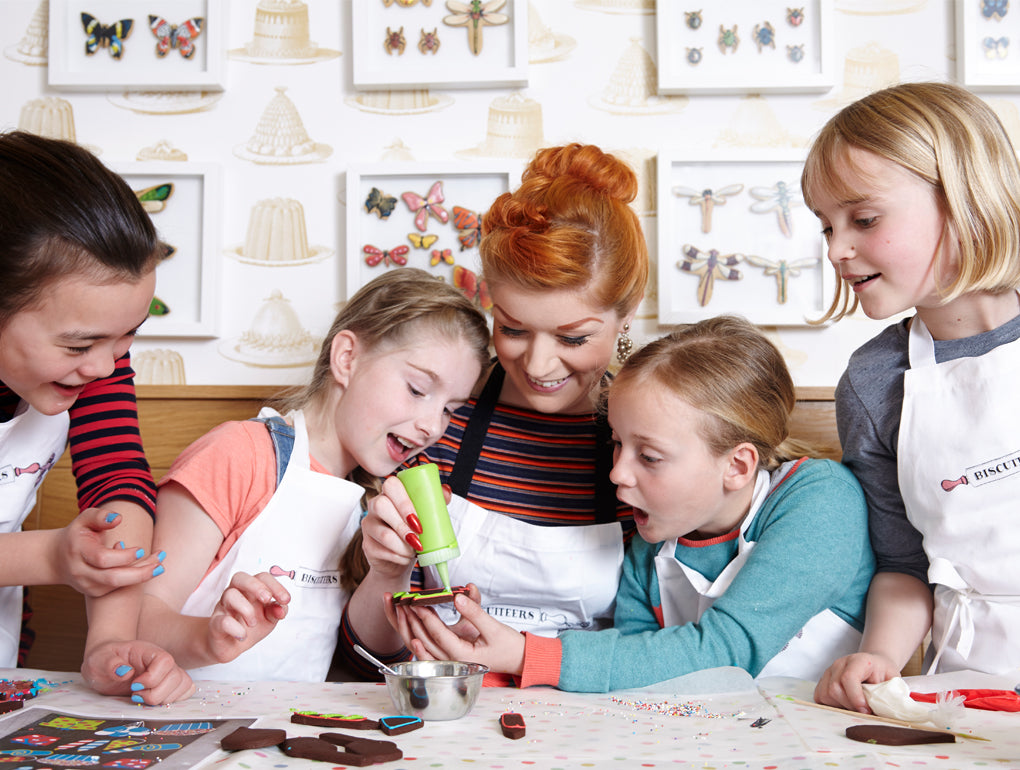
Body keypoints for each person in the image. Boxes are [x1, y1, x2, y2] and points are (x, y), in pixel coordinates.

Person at [385, 317, 874, 691]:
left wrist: (525, 655)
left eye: (651, 456)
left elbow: (729, 650)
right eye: (617, 443)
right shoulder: (654, 537)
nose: (617, 471)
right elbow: (635, 658)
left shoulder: (819, 501)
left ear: (738, 466)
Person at [340, 144, 648, 680]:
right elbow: (361, 661)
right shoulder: (433, 421)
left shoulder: (648, 444)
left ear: (626, 317)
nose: (537, 362)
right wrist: (385, 575)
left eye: (573, 337)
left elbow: (662, 642)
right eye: (512, 329)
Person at [138, 269, 490, 681]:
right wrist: (209, 637)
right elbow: (137, 621)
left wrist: (399, 588)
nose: (433, 425)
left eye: (451, 409)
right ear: (347, 359)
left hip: (294, 732)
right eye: (416, 389)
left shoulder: (376, 501)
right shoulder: (240, 455)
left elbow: (361, 667)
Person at [802, 82, 1020, 712]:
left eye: (863, 219)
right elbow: (903, 564)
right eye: (827, 226)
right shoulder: (874, 384)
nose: (838, 249)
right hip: (973, 693)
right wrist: (881, 656)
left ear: (964, 197)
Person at [0, 130, 193, 704]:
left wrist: (109, 641)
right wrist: (50, 556)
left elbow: (117, 483)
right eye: (79, 344)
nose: (106, 365)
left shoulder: (93, 363)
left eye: (128, 336)